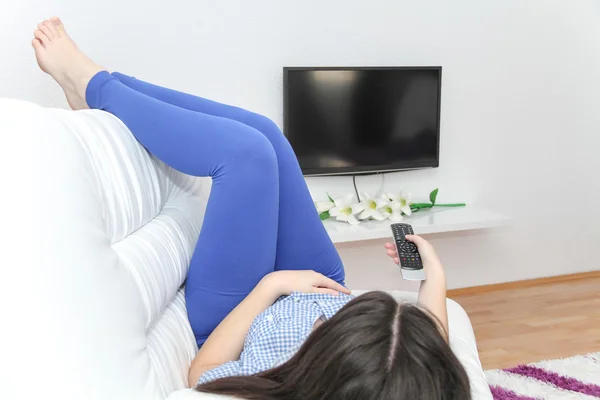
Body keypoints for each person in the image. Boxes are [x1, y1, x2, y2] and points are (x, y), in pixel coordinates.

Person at [32, 18, 471, 399]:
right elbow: (426, 356)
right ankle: (102, 87)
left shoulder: (271, 382)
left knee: (246, 154)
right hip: (322, 283)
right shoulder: (420, 384)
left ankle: (95, 84)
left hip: (246, 306)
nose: (326, 325)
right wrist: (435, 275)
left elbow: (201, 375)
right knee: (267, 135)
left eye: (328, 334)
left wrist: (273, 286)